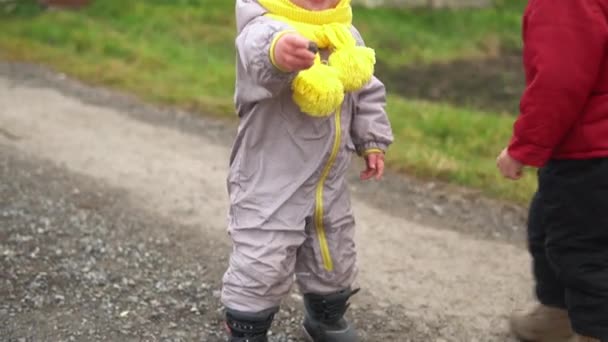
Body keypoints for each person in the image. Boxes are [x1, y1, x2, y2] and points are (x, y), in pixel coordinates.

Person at [221, 0, 394, 341]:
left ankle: (325, 317)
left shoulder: (347, 37)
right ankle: (246, 328)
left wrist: (372, 140)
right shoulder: (265, 28)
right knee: (263, 254)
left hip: (327, 180)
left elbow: (366, 91)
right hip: (270, 177)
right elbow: (259, 54)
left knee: (333, 249)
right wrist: (278, 52)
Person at [496, 1, 608, 341]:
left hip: (590, 154)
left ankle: (593, 332)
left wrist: (523, 147)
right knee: (546, 227)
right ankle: (557, 313)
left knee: (581, 249)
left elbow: (560, 81)